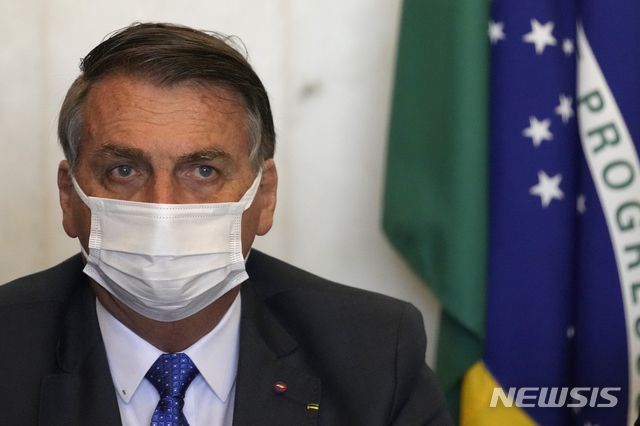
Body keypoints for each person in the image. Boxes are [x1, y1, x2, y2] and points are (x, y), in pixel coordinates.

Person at [0, 22, 451, 425]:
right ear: (68, 196)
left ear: (264, 196)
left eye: (203, 171)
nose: (163, 207)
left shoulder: (373, 352)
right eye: (124, 170)